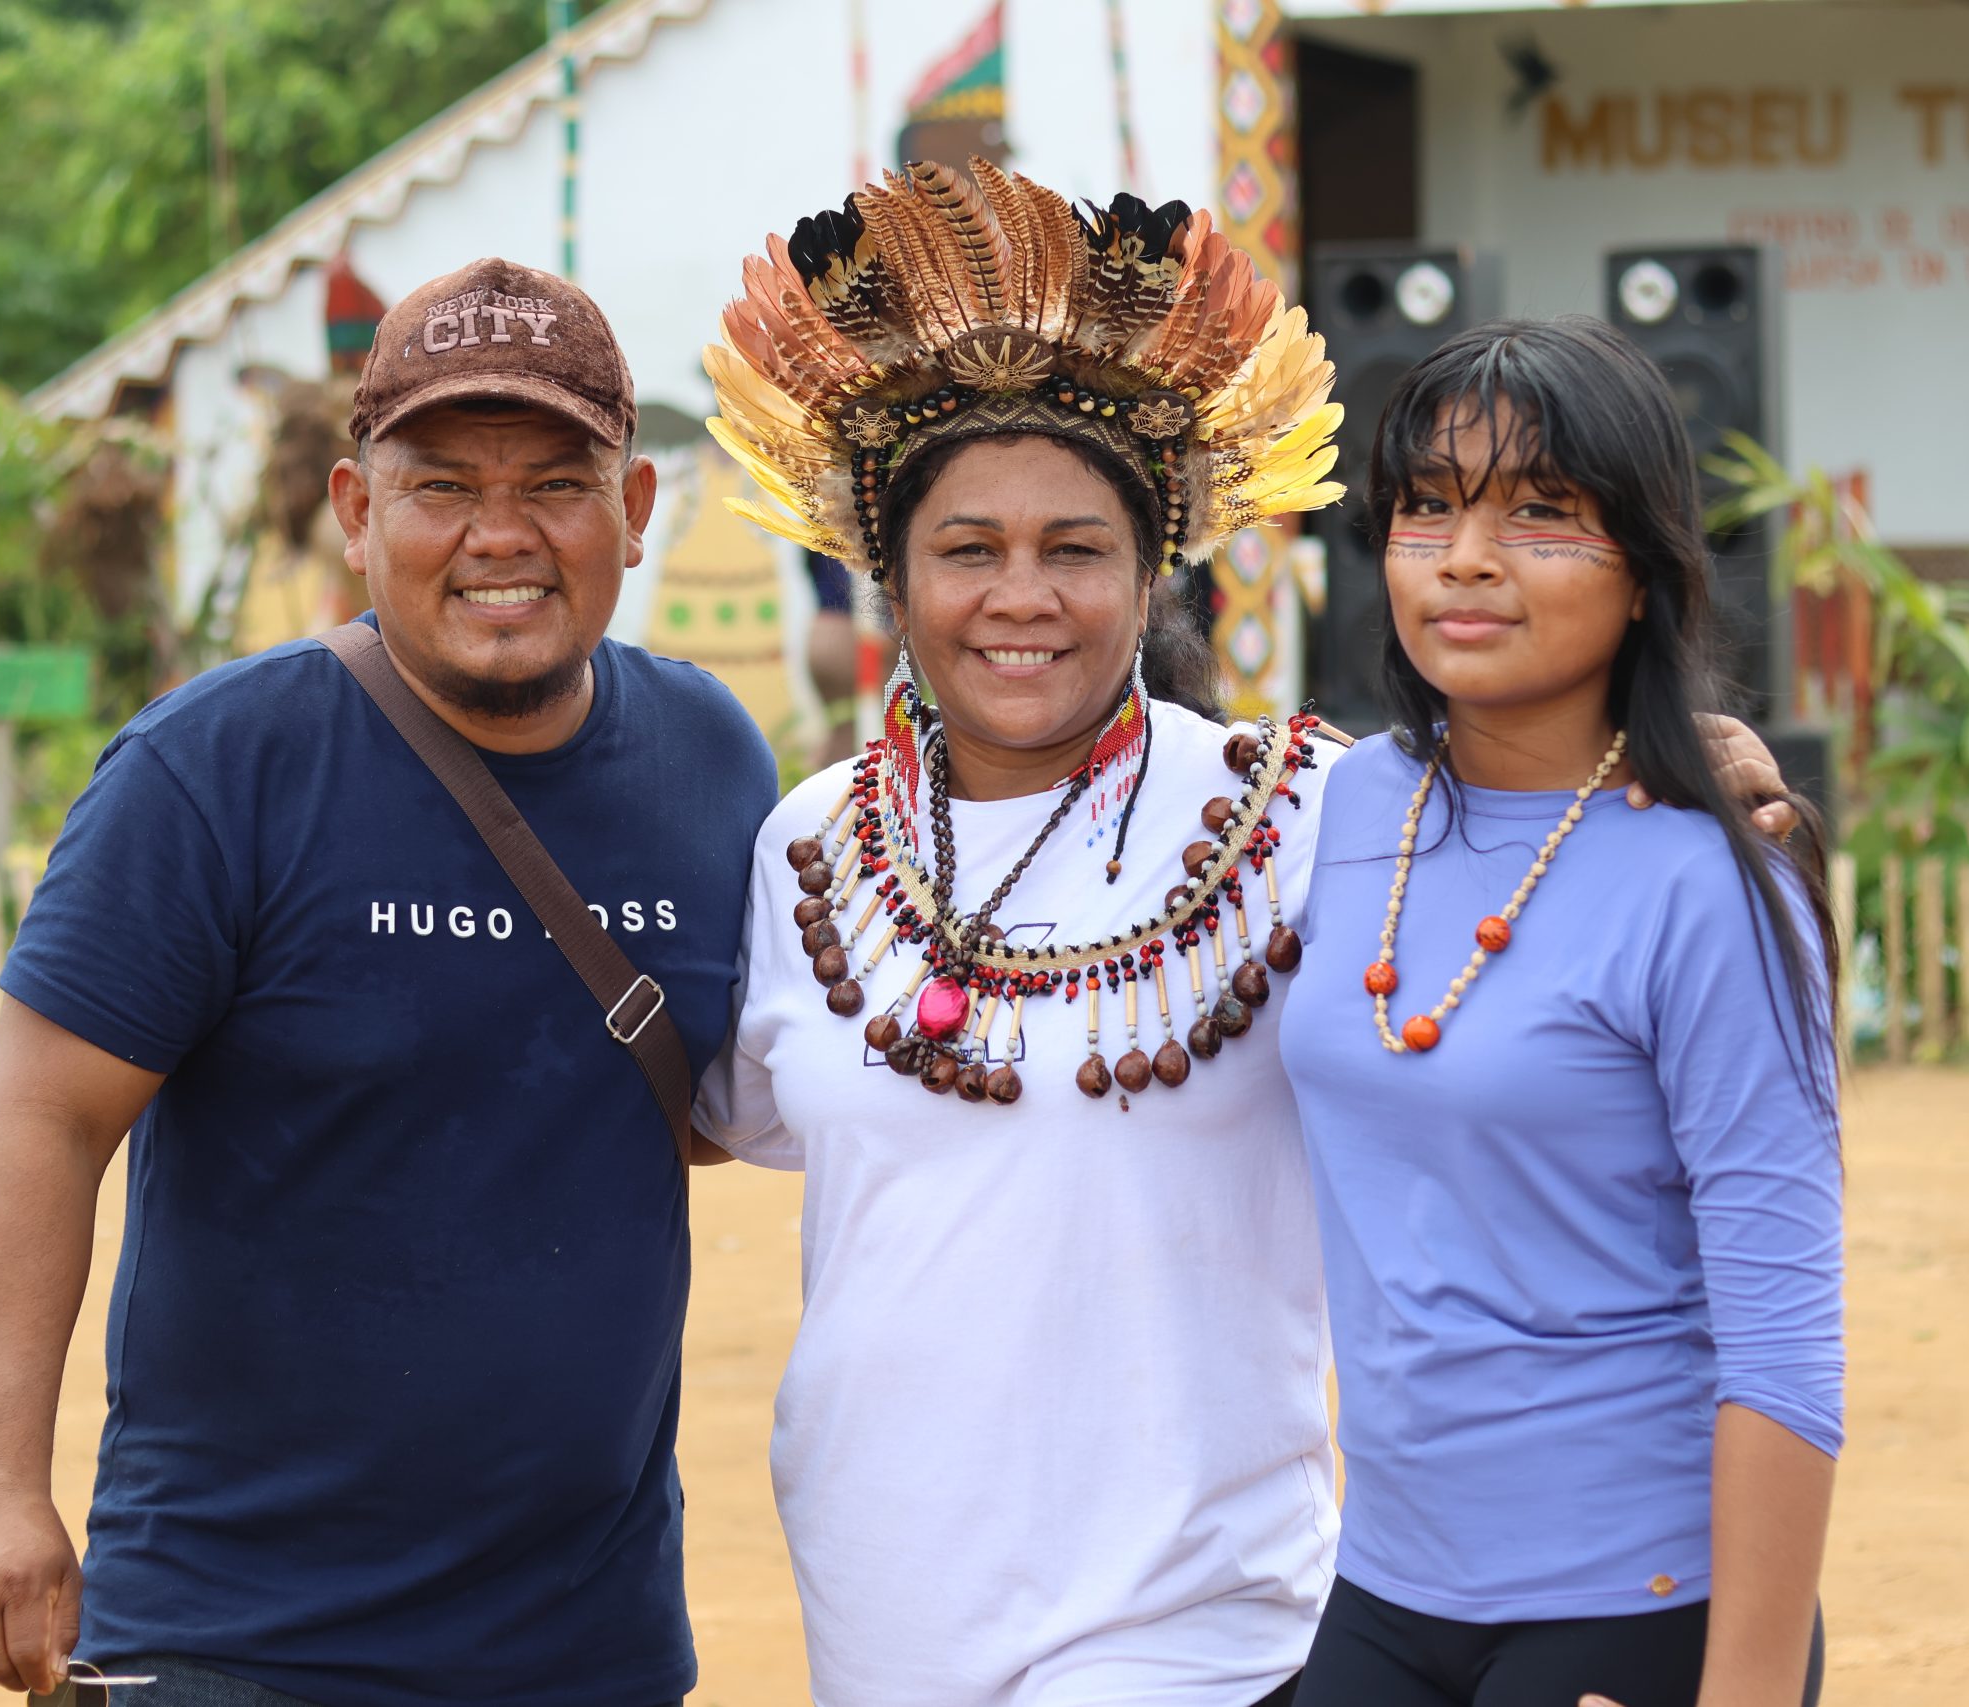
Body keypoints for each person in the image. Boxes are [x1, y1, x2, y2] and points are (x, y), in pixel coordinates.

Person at [691, 165, 1796, 1706]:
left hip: (1209, 1639)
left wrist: (1700, 760)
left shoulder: (1311, 818)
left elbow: (1554, 813)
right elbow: (725, 1115)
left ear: (1153, 571)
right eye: (967, 551)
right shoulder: (807, 846)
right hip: (882, 1624)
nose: (1024, 598)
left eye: (1076, 548)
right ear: (892, 575)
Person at [0, 257, 778, 1707]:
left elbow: (698, 1097)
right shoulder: (214, 774)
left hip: (590, 1649)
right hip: (239, 1642)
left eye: (555, 484)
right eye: (441, 486)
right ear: (356, 511)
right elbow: (42, 1124)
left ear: (634, 515)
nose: (499, 535)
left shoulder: (712, 763)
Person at [1278, 317, 1843, 1707]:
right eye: (1428, 508)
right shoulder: (1346, 802)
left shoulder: (1708, 880)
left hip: (1635, 1607)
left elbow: (1784, 1339)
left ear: (1646, 571)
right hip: (1386, 1582)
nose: (1468, 557)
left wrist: (1747, 1695)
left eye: (1543, 513)